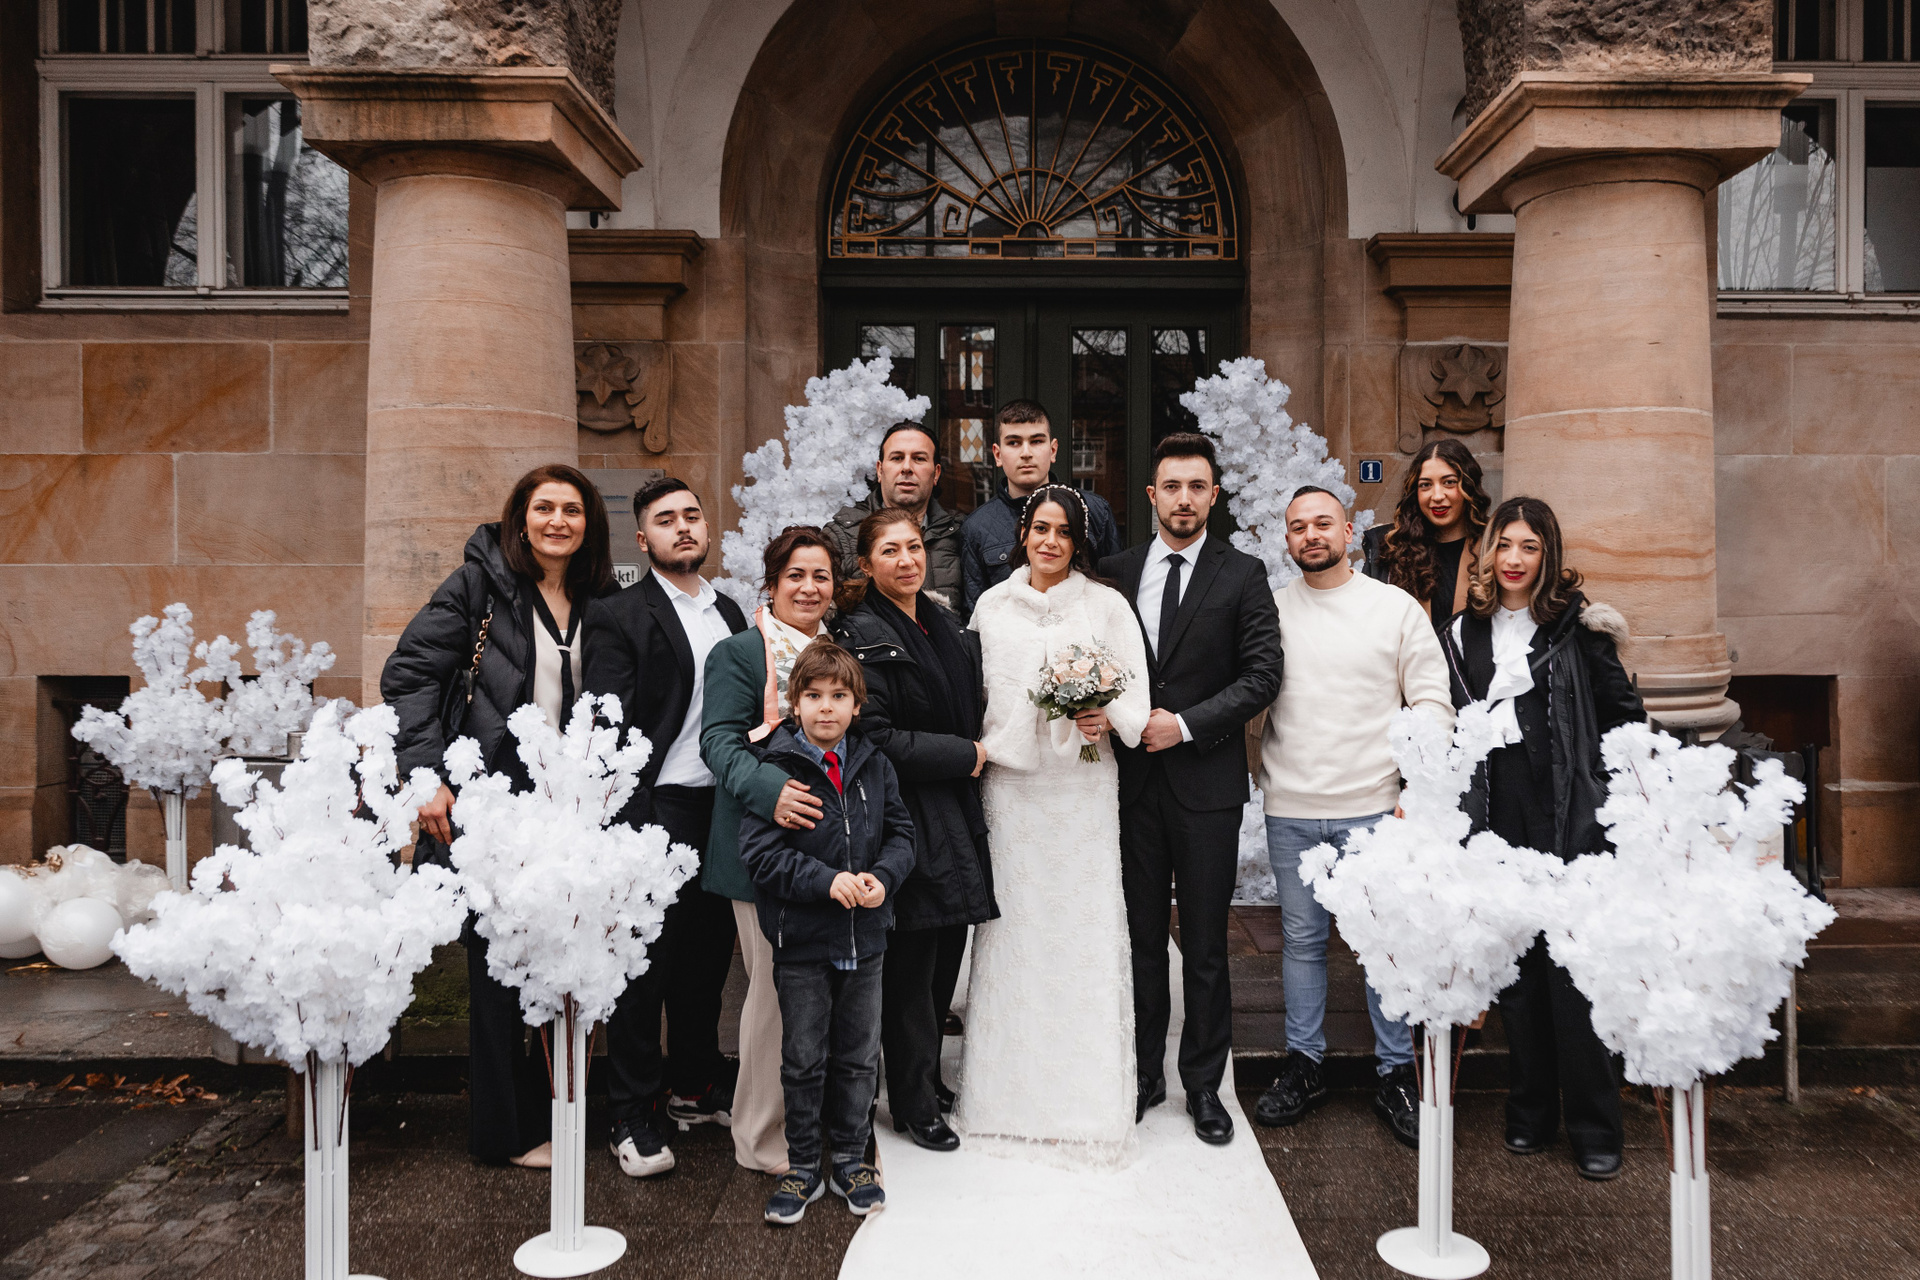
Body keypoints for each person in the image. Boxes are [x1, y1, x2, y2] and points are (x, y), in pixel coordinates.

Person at [381, 463, 617, 1168]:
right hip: (491, 796)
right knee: (496, 965)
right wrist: (425, 777)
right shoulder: (478, 585)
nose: (557, 521)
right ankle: (503, 1132)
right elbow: (409, 674)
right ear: (520, 519)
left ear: (589, 523)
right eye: (544, 508)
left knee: (559, 956)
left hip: (569, 800)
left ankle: (559, 1113)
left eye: (571, 509)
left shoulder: (599, 596)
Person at [1441, 496, 1645, 1181]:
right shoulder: (1463, 633)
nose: (1515, 559)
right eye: (1504, 545)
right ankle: (1530, 1111)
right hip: (1497, 813)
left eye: (1529, 547)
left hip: (1568, 815)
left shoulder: (1578, 629)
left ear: (1548, 555)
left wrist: (1614, 803)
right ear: (1488, 551)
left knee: (1573, 975)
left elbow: (1623, 719)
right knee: (1518, 974)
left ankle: (1594, 1125)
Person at [1251, 485, 1452, 1150]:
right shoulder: (1271, 610)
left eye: (1322, 523)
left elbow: (1432, 700)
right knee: (1302, 943)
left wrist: (1415, 785)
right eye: (1297, 527)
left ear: (1347, 531)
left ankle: (1395, 1073)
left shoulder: (1392, 608)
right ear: (1286, 539)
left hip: (1374, 807)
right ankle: (1304, 1064)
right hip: (1291, 806)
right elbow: (1248, 695)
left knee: (1382, 944)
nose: (1310, 535)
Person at [957, 485, 1151, 1168]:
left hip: (1081, 785)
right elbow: (974, 691)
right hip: (1011, 787)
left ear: (1079, 542)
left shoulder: (1106, 605)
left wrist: (1107, 717)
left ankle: (1085, 1101)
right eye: (1040, 528)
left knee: (1080, 928)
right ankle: (1004, 1100)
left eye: (1063, 532)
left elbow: (1135, 694)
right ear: (1023, 535)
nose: (1049, 541)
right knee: (1016, 929)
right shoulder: (991, 605)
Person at [1097, 433, 1282, 1146]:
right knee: (1141, 938)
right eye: (1171, 486)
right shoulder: (1114, 572)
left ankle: (1204, 1084)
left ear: (1213, 495)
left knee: (1204, 943)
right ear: (1152, 495)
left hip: (1206, 786)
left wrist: (1185, 725)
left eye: (1196, 486)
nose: (1183, 499)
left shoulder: (1243, 574)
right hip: (1131, 786)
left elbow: (1262, 675)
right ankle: (1144, 1074)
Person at [583, 477, 748, 1179]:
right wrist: (630, 820)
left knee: (706, 964)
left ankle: (694, 1085)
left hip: (724, 810)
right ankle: (631, 1112)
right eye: (665, 520)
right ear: (642, 538)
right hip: (660, 809)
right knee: (643, 971)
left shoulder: (730, 610)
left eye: (691, 515)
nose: (683, 527)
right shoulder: (618, 615)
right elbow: (608, 726)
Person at [832, 508, 996, 1153]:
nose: (907, 560)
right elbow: (873, 736)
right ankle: (912, 1101)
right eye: (890, 551)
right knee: (912, 966)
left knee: (942, 954)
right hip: (906, 812)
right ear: (866, 564)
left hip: (951, 805)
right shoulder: (861, 633)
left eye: (914, 548)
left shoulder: (941, 621)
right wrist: (964, 754)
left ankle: (924, 1078)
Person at [738, 641, 915, 1224]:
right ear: (795, 703)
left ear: (857, 705)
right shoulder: (775, 770)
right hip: (803, 943)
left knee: (859, 1057)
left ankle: (850, 1159)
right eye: (813, 696)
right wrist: (826, 880)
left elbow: (901, 835)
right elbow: (761, 855)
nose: (826, 707)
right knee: (803, 1058)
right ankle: (802, 1164)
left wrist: (883, 878)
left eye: (839, 696)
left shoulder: (875, 764)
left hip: (867, 939)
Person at [698, 526, 838, 1174]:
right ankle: (758, 1137)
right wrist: (771, 790)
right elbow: (719, 742)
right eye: (795, 576)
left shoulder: (837, 651)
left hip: (829, 849)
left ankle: (810, 1121)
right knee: (775, 997)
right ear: (772, 584)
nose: (808, 588)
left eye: (820, 576)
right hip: (762, 847)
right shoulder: (740, 653)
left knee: (816, 995)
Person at [959, 400, 1122, 615]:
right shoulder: (977, 527)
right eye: (1014, 442)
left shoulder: (1094, 510)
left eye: (1036, 441)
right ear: (997, 455)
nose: (1026, 453)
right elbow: (976, 614)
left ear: (1053, 450)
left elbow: (1115, 591)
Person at [824, 422, 966, 612]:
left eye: (919, 459)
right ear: (880, 470)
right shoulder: (841, 535)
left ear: (936, 473)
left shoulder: (961, 532)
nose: (907, 467)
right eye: (897, 458)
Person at [1362, 438, 1492, 629]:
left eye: (1449, 482)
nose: (1437, 496)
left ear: (1468, 487)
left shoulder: (1494, 546)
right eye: (1425, 485)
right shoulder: (1389, 547)